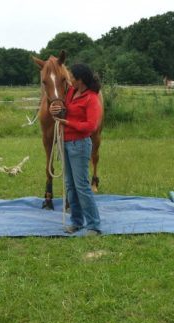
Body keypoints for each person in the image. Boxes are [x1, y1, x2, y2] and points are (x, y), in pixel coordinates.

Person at [49, 63, 102, 236]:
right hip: (65, 143)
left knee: (82, 186)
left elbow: (91, 126)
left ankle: (94, 225)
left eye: (72, 77)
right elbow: (63, 110)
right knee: (70, 186)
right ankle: (77, 222)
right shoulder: (71, 93)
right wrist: (54, 110)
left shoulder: (92, 98)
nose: (70, 80)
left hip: (79, 145)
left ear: (80, 80)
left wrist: (68, 123)